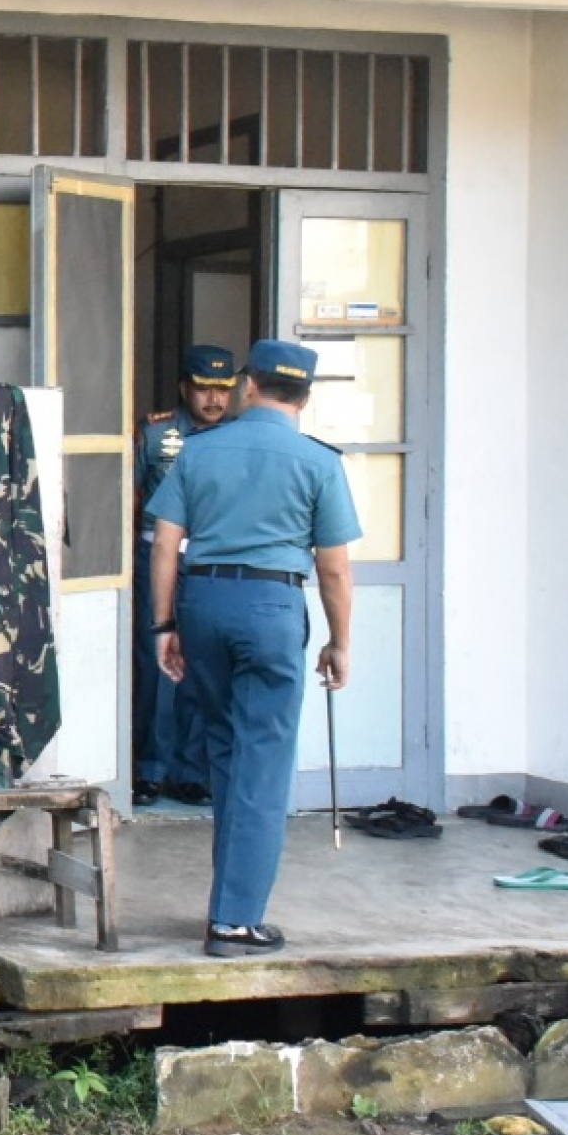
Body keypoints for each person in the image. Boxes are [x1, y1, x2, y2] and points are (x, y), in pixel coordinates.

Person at [150, 338, 359, 959]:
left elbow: (165, 546)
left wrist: (165, 627)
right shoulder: (319, 462)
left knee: (225, 754)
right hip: (271, 606)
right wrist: (339, 642)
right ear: (307, 397)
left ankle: (225, 906)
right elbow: (335, 570)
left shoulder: (200, 449)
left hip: (204, 601)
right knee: (262, 766)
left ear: (249, 386)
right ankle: (236, 921)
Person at [132, 344, 237, 808]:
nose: (213, 398)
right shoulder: (157, 434)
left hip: (212, 561)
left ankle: (192, 772)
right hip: (157, 559)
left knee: (203, 667)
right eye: (203, 388)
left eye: (223, 389)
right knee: (156, 667)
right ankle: (150, 768)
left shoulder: (240, 437)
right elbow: (129, 501)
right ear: (184, 389)